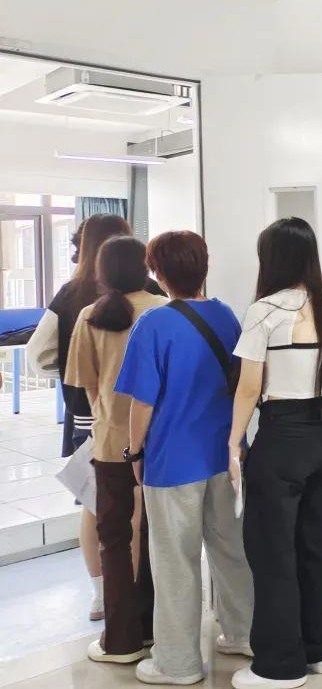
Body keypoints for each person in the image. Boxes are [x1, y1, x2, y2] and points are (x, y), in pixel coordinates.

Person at [114, 231, 254, 686]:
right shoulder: (227, 317)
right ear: (204, 267)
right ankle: (244, 634)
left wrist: (135, 452)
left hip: (173, 461)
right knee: (231, 550)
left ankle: (178, 663)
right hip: (225, 455)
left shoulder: (153, 324)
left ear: (157, 272)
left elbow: (142, 402)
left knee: (176, 561)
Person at [229, 218, 322, 688]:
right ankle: (318, 649)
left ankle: (279, 666)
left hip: (283, 438)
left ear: (272, 259)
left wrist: (234, 442)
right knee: (316, 545)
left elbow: (248, 388)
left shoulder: (264, 311)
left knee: (273, 551)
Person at [66, 236, 168, 664]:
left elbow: (87, 385)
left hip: (112, 443)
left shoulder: (91, 316)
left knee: (114, 538)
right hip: (162, 441)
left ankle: (121, 641)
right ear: (145, 267)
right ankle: (153, 629)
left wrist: (108, 415)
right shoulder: (164, 310)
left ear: (102, 272)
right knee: (157, 536)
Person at [27, 213, 132, 622]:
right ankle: (134, 589)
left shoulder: (70, 296)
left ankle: (102, 596)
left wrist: (74, 371)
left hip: (87, 415)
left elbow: (38, 355)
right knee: (139, 506)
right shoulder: (148, 292)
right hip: (139, 413)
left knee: (95, 505)